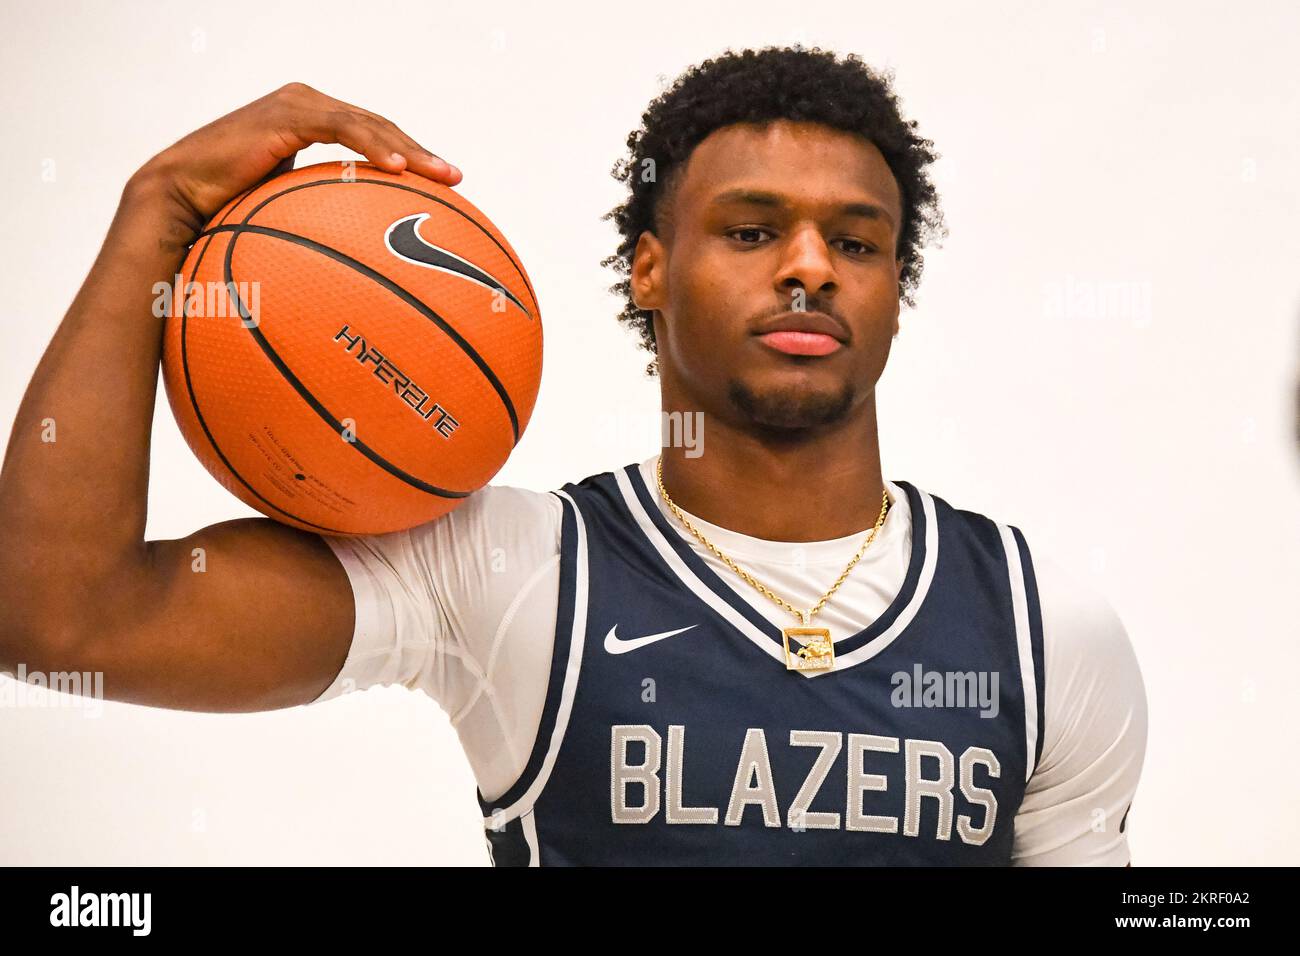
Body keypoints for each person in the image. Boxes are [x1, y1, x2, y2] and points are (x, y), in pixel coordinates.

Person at [0, 46, 1146, 866]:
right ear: (649, 269)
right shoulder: (509, 569)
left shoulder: (1041, 627)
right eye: (751, 231)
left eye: (857, 240)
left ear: (897, 287)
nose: (809, 266)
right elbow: (63, 621)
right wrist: (157, 211)